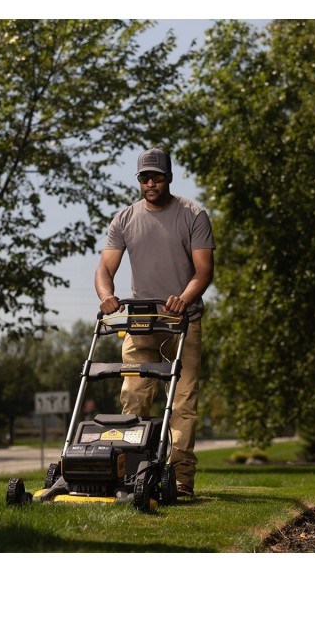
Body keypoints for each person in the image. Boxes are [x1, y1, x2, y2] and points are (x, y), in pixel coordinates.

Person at [94, 147, 215, 498]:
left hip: (182, 323)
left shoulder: (192, 215)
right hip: (141, 322)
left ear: (169, 178)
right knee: (133, 395)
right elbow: (104, 268)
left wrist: (184, 298)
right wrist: (106, 295)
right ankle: (133, 471)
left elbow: (204, 270)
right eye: (144, 178)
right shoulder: (124, 219)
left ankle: (181, 478)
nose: (150, 183)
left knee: (182, 402)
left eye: (157, 177)